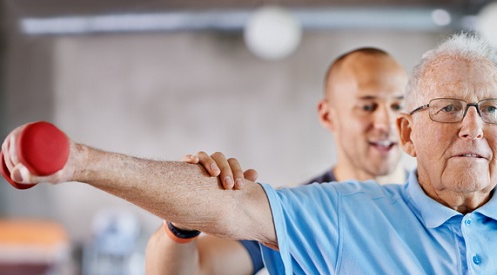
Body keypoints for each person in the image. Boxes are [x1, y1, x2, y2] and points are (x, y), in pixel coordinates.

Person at [1, 33, 497, 274]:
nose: (472, 126)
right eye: (446, 108)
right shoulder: (331, 214)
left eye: (491, 110)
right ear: (412, 132)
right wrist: (78, 163)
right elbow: (210, 234)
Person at [144, 47, 409, 274]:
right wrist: (182, 220)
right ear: (328, 116)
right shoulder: (294, 213)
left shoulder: (437, 201)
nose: (386, 124)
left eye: (398, 106)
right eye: (367, 107)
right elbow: (198, 269)